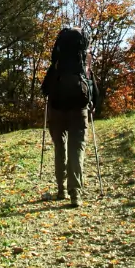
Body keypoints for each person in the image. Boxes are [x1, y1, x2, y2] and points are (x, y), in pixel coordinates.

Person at [41, 26, 99, 208]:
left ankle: (61, 189)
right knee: (77, 149)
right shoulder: (85, 59)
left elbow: (45, 89)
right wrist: (93, 104)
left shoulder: (57, 62)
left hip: (57, 108)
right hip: (79, 108)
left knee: (60, 147)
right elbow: (92, 85)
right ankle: (76, 194)